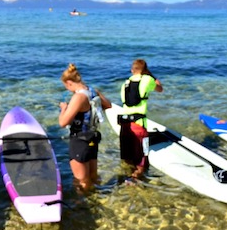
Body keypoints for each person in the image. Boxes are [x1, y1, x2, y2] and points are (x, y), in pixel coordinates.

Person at [57, 63, 111, 193]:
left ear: (69, 82)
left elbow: (63, 123)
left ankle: (84, 204)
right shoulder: (93, 91)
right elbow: (108, 105)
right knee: (93, 175)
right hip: (93, 137)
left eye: (66, 87)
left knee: (81, 180)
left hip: (80, 140)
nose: (68, 90)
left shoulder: (79, 97)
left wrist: (64, 109)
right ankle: (97, 196)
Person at [117, 59, 163, 179]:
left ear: (132, 70)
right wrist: (149, 74)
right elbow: (159, 88)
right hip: (139, 124)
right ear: (145, 70)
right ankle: (138, 179)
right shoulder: (147, 79)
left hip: (125, 124)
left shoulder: (125, 83)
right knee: (142, 158)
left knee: (127, 157)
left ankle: (127, 178)